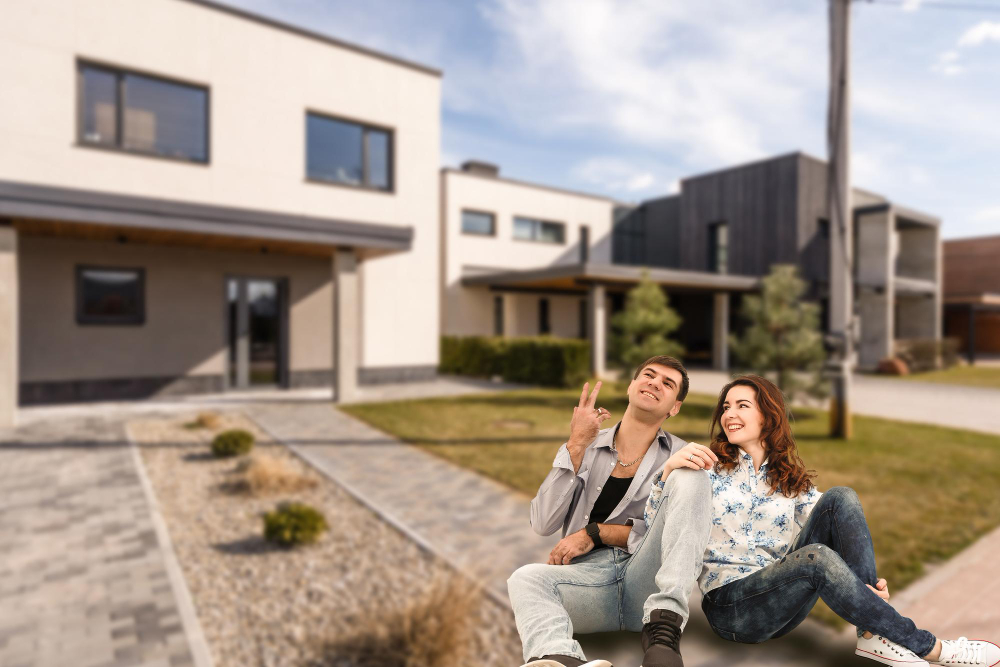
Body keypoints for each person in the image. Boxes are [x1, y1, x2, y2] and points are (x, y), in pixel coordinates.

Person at [643, 373, 1000, 667]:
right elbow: (653, 523)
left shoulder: (786, 480)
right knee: (816, 559)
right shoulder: (706, 466)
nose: (729, 414)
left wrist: (868, 591)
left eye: (742, 405)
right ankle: (932, 648)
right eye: (726, 407)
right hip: (732, 608)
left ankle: (873, 634)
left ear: (768, 417)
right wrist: (668, 470)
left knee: (840, 497)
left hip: (782, 604)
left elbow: (840, 527)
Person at [507, 355, 717, 667]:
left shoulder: (681, 456)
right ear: (632, 386)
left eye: (667, 383)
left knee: (692, 473)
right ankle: (562, 659)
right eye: (649, 375)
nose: (655, 383)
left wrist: (596, 532)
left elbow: (683, 533)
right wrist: (576, 444)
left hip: (647, 580)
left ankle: (665, 625)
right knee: (524, 578)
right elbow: (542, 522)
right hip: (588, 581)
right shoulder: (586, 445)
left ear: (675, 407)